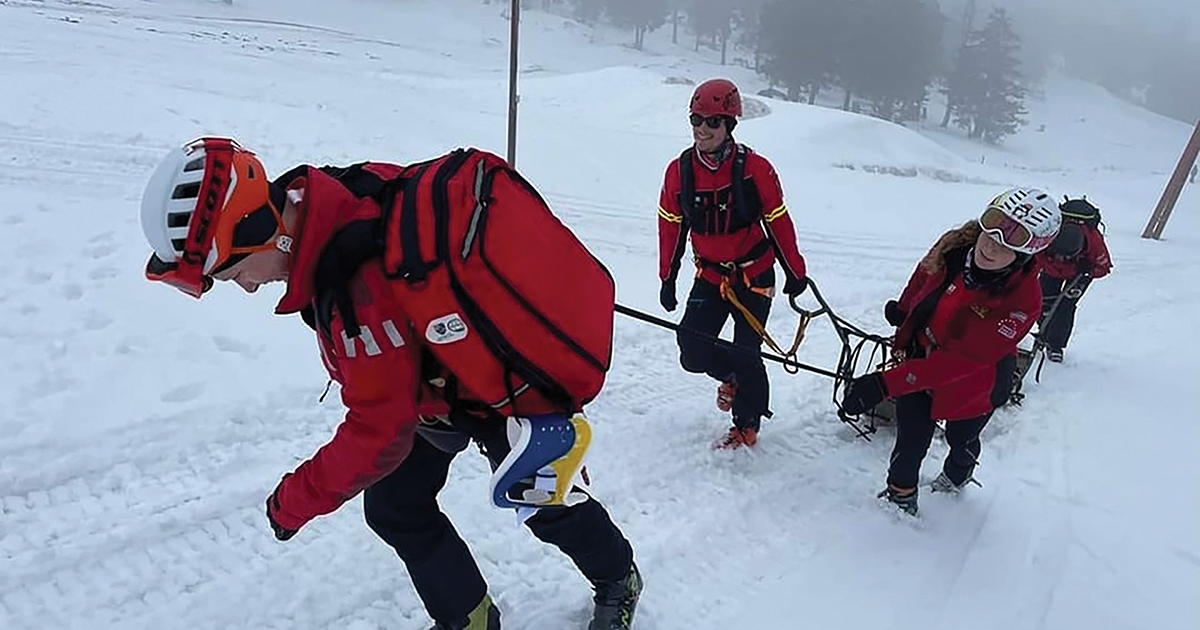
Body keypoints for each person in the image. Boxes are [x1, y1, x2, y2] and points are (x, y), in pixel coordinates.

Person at [138, 137, 641, 630]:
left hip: (496, 387)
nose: (248, 286)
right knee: (396, 506)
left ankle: (620, 579)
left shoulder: (356, 291)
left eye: (236, 273)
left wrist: (294, 501)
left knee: (543, 504)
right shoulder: (332, 192)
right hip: (437, 385)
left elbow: (379, 433)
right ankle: (469, 618)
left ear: (265, 232)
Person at [839, 188, 1062, 516]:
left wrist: (884, 383)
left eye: (1008, 243)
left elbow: (963, 360)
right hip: (920, 357)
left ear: (1027, 253)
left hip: (974, 383)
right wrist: (905, 310)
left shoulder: (1023, 301)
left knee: (962, 439)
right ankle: (901, 496)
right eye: (992, 228)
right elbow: (923, 275)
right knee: (910, 439)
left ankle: (958, 473)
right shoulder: (954, 247)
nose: (991, 245)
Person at [656, 78, 809, 450]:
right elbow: (670, 226)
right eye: (696, 119)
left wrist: (795, 272)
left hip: (754, 275)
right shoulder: (679, 172)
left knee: (747, 351)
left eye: (712, 121)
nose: (702, 129)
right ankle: (735, 378)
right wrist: (668, 277)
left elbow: (778, 222)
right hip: (710, 275)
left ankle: (746, 422)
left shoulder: (755, 169)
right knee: (691, 349)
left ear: (729, 124)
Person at [1036, 197, 1113, 363]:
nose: (1062, 259)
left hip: (1079, 273)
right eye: (1058, 255)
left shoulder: (1094, 241)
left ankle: (1055, 345)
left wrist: (1089, 270)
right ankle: (1043, 333)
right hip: (1051, 269)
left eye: (1066, 257)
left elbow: (1104, 267)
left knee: (1065, 306)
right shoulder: (1048, 234)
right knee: (1042, 301)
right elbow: (1034, 256)